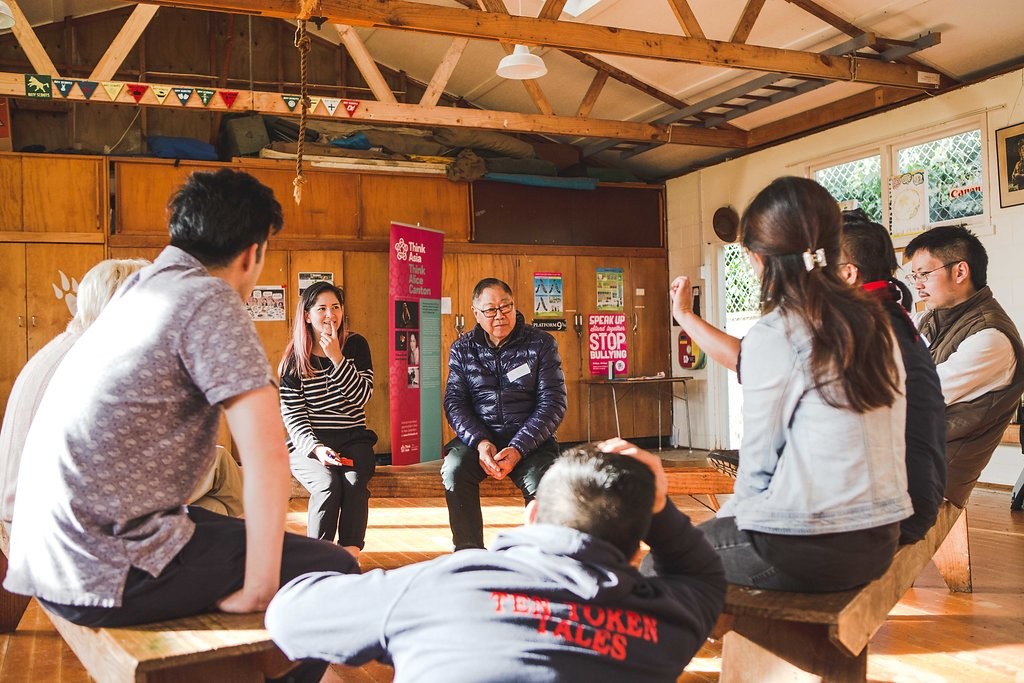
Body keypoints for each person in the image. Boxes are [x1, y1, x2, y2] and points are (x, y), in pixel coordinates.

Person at [4, 169, 357, 676]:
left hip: (43, 555)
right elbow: (268, 456)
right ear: (253, 252)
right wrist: (260, 584)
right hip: (101, 567)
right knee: (333, 567)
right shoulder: (210, 298)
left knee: (230, 528)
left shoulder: (138, 289)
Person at [265, 439, 726, 683]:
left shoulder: (438, 585)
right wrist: (658, 504)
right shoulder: (664, 621)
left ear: (532, 515)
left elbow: (288, 616)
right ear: (638, 549)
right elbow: (703, 574)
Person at [687, 177, 913, 592]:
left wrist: (720, 528)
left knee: (665, 562)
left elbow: (756, 468)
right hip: (882, 535)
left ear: (758, 258)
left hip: (810, 547)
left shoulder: (775, 334)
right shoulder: (875, 322)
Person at [442, 278, 567, 551]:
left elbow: (553, 402)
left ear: (514, 305)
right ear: (476, 313)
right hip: (479, 440)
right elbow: (454, 402)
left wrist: (519, 447)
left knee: (544, 483)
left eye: (505, 307)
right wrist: (480, 442)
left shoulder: (541, 344)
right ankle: (469, 552)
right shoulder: (463, 350)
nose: (499, 315)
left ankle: (542, 554)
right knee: (455, 470)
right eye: (490, 310)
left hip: (531, 441)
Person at [905, 225, 1024, 507]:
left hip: (936, 474)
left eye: (924, 274)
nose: (917, 284)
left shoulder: (990, 337)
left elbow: (913, 396)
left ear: (959, 272)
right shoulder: (932, 318)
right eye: (914, 276)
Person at [279, 280, 376, 560]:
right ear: (307, 316)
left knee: (355, 482)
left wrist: (337, 358)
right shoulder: (292, 361)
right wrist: (317, 448)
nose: (330, 314)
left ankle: (349, 556)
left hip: (353, 436)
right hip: (308, 442)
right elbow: (294, 418)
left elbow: (361, 397)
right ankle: (318, 558)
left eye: (336, 307)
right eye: (321, 308)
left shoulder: (356, 345)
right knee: (327, 484)